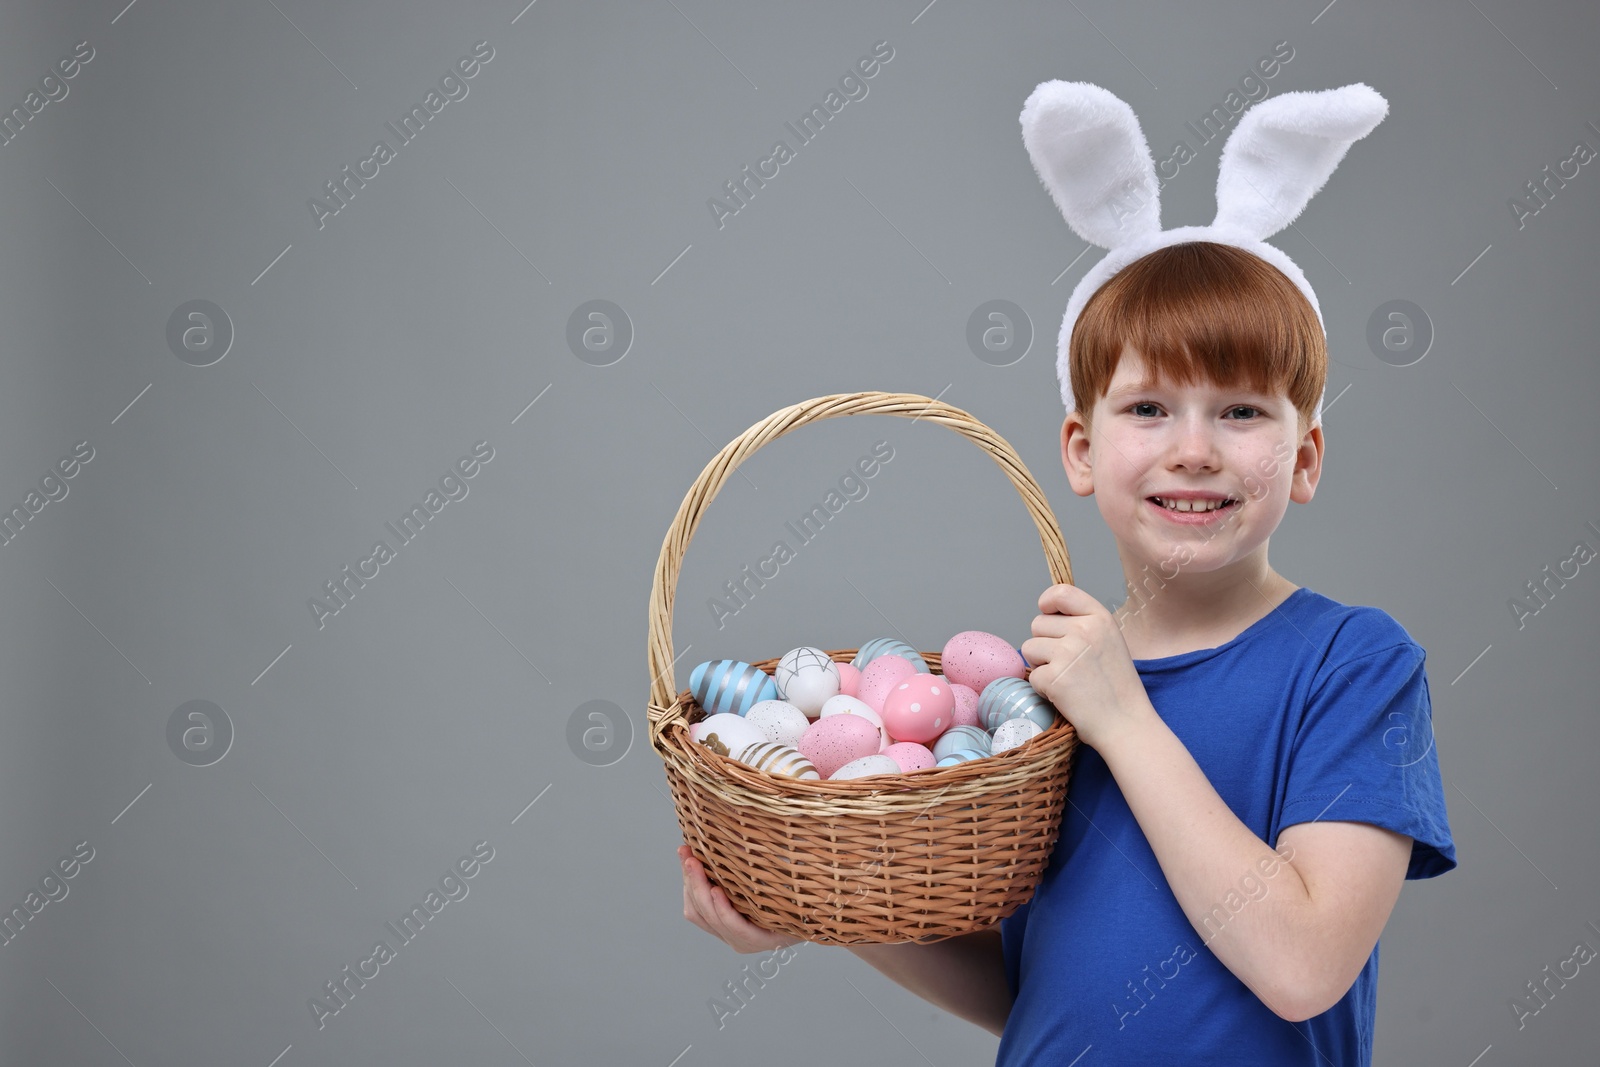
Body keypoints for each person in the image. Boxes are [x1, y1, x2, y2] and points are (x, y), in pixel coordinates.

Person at [683, 82, 1455, 1064]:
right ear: (1080, 450)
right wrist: (818, 902)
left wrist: (1122, 717)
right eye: (1146, 409)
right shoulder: (1038, 690)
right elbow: (1024, 985)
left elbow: (1301, 964)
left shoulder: (1352, 664)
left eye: (1241, 411)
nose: (1193, 449)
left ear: (1303, 459)